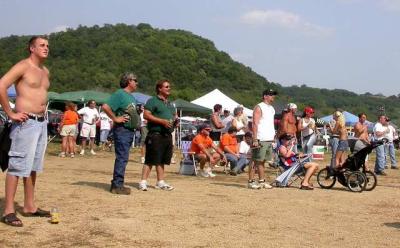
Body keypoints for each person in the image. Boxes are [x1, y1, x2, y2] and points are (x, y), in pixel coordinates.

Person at [0, 36, 51, 227]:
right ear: (31, 48)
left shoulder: (45, 71)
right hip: (25, 122)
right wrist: (10, 113)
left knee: (32, 167)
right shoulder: (23, 66)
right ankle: (8, 211)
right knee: (16, 165)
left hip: (41, 122)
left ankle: (30, 206)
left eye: (47, 45)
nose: (46, 48)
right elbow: (1, 85)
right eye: (42, 45)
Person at [102, 72, 138, 195]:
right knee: (122, 158)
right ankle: (117, 185)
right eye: (135, 80)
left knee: (124, 157)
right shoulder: (120, 94)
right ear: (129, 81)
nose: (137, 82)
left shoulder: (131, 96)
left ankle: (117, 183)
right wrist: (115, 118)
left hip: (128, 130)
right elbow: (106, 107)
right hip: (122, 130)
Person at [138, 79, 177, 191]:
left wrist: (175, 122)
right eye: (166, 87)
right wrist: (162, 121)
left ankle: (160, 182)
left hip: (167, 134)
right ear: (159, 88)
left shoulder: (170, 104)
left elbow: (173, 117)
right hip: (155, 134)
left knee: (162, 160)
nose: (169, 88)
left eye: (169, 86)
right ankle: (143, 182)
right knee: (150, 159)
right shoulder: (152, 101)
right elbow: (146, 115)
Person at [249, 89, 278, 189]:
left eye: (273, 94)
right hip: (260, 138)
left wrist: (273, 137)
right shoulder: (259, 107)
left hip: (269, 138)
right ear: (265, 96)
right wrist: (255, 139)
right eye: (271, 95)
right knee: (255, 160)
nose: (273, 96)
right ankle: (251, 181)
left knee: (262, 161)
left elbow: (270, 123)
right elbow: (255, 123)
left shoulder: (272, 108)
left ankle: (261, 181)